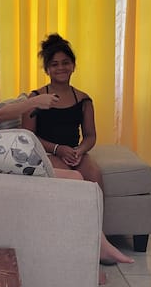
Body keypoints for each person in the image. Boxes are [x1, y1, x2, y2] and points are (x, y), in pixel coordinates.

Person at [0, 76, 133, 269]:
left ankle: (96, 245)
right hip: (7, 176)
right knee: (76, 180)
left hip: (13, 168)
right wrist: (33, 102)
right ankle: (96, 247)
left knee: (79, 181)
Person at [22, 33, 103, 189]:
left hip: (74, 152)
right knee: (70, 178)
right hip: (46, 152)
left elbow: (90, 135)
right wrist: (57, 149)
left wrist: (79, 151)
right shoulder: (35, 98)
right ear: (47, 70)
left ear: (73, 65)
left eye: (65, 63)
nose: (61, 68)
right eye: (54, 64)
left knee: (94, 175)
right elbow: (27, 136)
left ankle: (97, 207)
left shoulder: (84, 99)